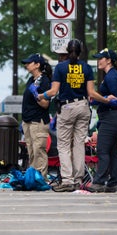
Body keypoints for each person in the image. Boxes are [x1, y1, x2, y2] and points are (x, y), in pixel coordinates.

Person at [37, 39, 112, 192]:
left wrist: (41, 95)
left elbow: (53, 92)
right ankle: (78, 179)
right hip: (83, 106)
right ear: (80, 52)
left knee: (64, 145)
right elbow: (91, 93)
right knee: (78, 144)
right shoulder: (86, 68)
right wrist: (106, 100)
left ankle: (67, 180)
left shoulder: (60, 68)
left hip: (67, 107)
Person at [86, 48, 117, 192]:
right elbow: (107, 99)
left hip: (111, 117)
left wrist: (101, 100)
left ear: (108, 60)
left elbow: (115, 99)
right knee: (111, 151)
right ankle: (114, 182)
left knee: (102, 149)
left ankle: (99, 182)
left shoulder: (111, 77)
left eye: (101, 58)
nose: (98, 61)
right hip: (112, 117)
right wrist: (96, 100)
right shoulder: (111, 75)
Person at [21, 53, 52, 177]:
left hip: (38, 121)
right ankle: (33, 177)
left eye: (29, 63)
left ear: (37, 65)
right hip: (28, 121)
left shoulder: (44, 80)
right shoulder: (31, 80)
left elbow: (45, 104)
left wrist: (36, 95)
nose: (27, 65)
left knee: (39, 150)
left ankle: (41, 178)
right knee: (31, 152)